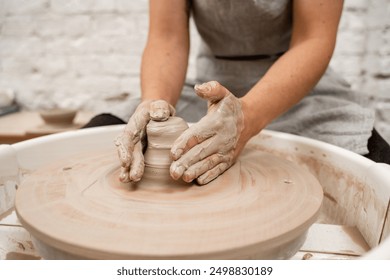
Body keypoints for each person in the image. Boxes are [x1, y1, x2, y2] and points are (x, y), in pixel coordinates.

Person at [85, 0, 390, 185]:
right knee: (104, 132)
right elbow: (167, 37)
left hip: (296, 88)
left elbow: (314, 39)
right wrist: (154, 105)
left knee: (380, 173)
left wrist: (245, 118)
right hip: (210, 91)